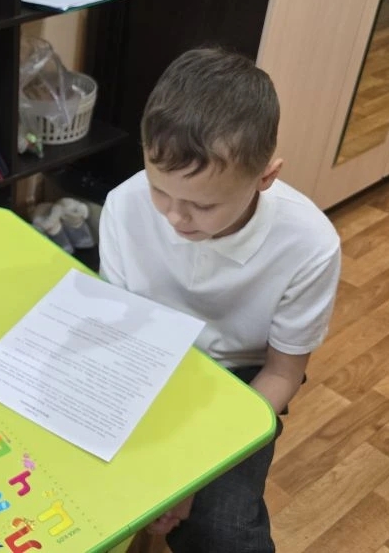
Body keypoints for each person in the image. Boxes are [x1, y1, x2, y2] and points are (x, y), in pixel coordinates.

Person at [98, 48, 341, 553]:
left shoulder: (310, 244)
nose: (175, 217)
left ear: (266, 178)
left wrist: (193, 471)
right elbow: (119, 330)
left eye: (203, 205)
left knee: (221, 529)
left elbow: (282, 374)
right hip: (144, 361)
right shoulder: (125, 205)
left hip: (242, 381)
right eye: (160, 190)